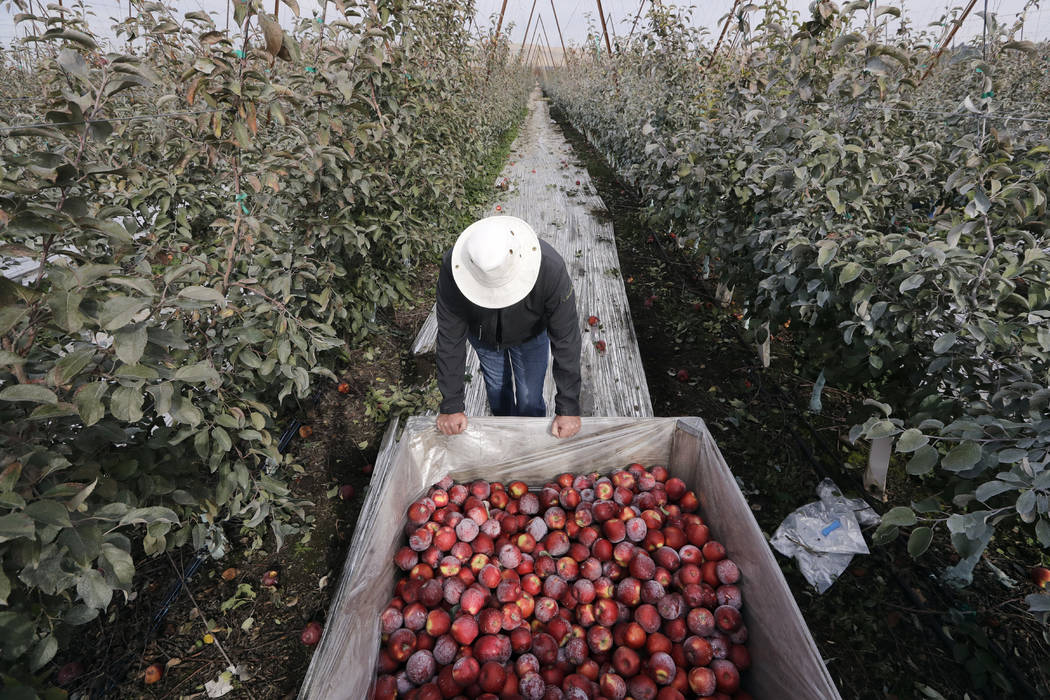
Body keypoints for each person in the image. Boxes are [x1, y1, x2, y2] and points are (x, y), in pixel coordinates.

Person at [435, 215, 582, 438]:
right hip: (484, 336)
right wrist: (451, 405)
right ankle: (505, 435)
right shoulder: (453, 270)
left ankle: (530, 441)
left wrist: (568, 407)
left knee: (529, 397)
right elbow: (449, 338)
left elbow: (567, 338)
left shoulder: (549, 269)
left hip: (530, 334)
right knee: (496, 390)